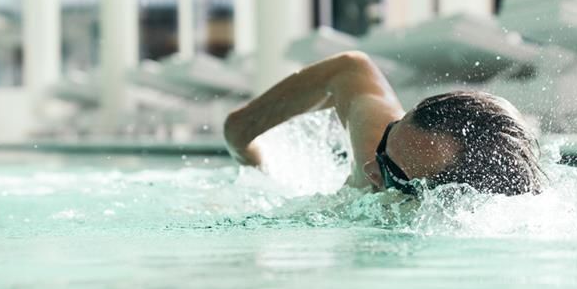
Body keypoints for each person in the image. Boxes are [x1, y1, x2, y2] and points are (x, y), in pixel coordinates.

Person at [222, 52, 546, 196]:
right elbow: (351, 69)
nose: (369, 168)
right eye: (385, 142)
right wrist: (244, 143)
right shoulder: (376, 150)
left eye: (393, 174)